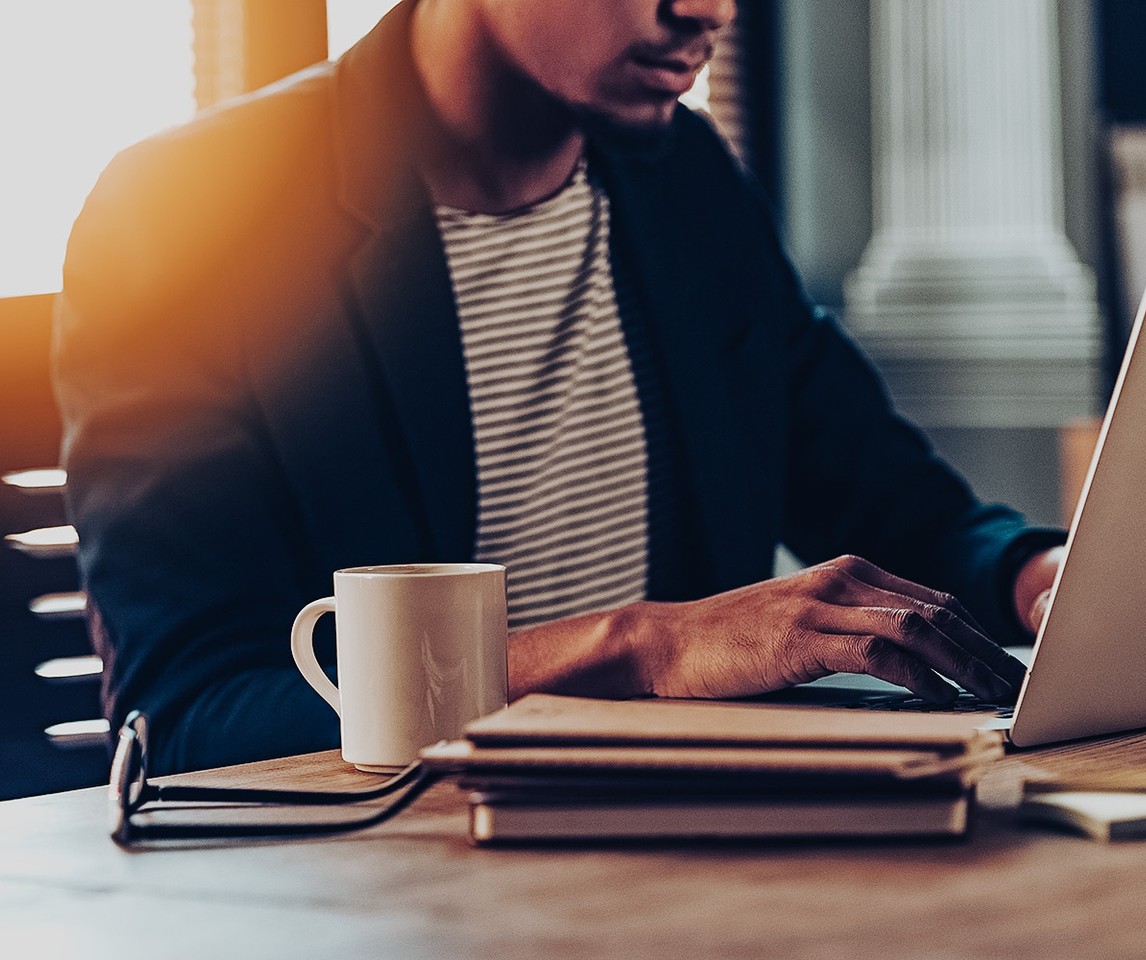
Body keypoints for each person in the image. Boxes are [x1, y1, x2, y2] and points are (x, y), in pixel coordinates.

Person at [53, 0, 1066, 775]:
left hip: (689, 852)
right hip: (389, 892)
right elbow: (188, 719)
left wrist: (1043, 577)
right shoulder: (186, 210)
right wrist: (641, 647)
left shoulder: (685, 181)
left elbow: (890, 503)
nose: (707, 9)